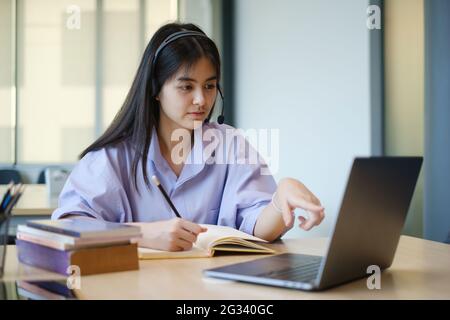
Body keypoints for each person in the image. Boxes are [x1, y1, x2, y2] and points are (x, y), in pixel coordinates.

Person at [52, 22, 325, 251]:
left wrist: (280, 199)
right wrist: (142, 234)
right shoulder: (112, 157)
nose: (201, 99)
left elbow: (257, 227)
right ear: (156, 89)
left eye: (209, 86)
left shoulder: (230, 144)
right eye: (186, 86)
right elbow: (68, 228)